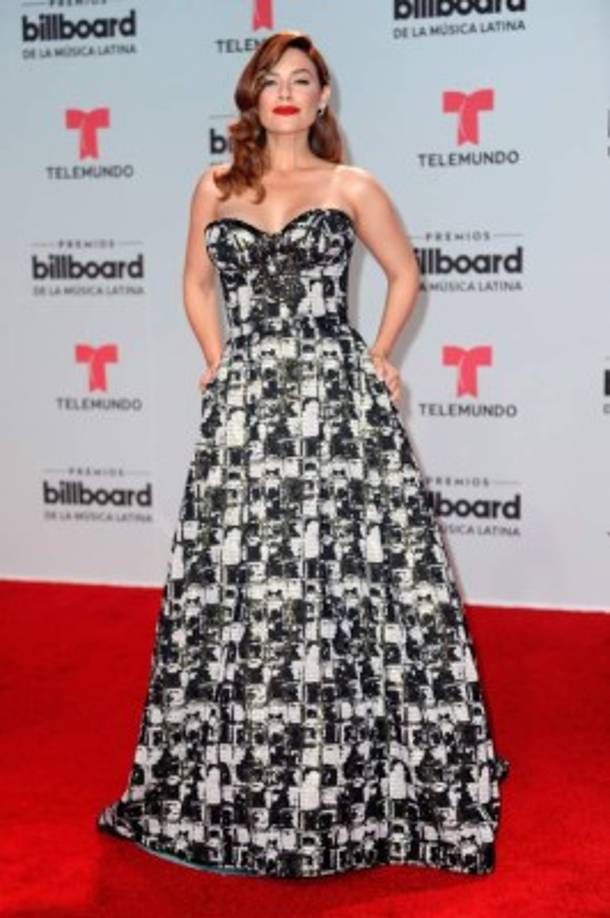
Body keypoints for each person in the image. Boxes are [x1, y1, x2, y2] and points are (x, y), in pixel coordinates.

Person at [97, 29, 510, 880]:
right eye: (270, 80)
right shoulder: (214, 186)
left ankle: (367, 769)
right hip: (247, 407)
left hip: (335, 403)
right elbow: (192, 281)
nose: (286, 92)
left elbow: (405, 274)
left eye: (303, 80)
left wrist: (381, 354)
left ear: (324, 100)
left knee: (348, 576)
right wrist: (215, 361)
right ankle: (241, 767)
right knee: (245, 578)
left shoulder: (351, 186)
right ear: (252, 98)